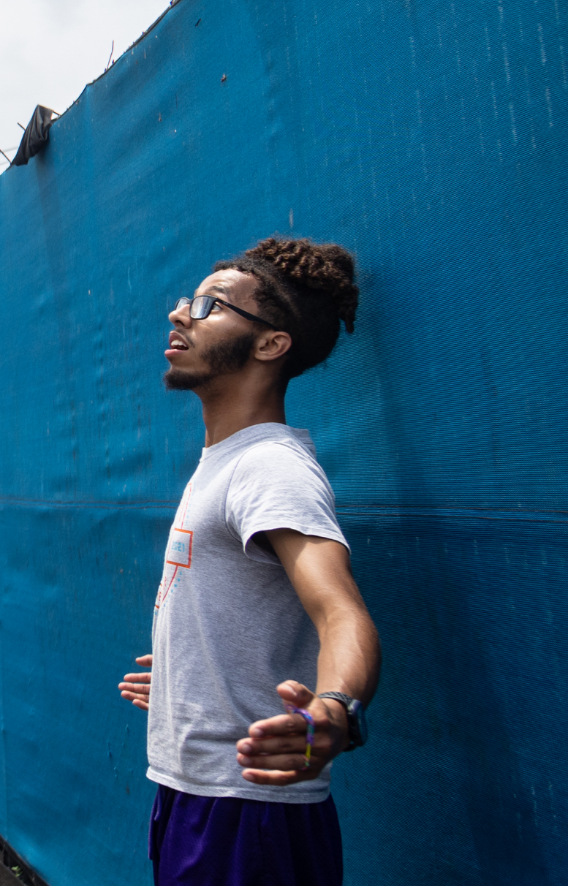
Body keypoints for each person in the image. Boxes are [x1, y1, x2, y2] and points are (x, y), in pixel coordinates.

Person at [117, 237, 379, 886]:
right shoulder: (225, 461)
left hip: (250, 816)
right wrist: (191, 676)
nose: (181, 313)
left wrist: (335, 709)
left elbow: (341, 611)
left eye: (210, 305)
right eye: (186, 300)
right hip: (197, 797)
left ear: (270, 343)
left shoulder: (269, 468)